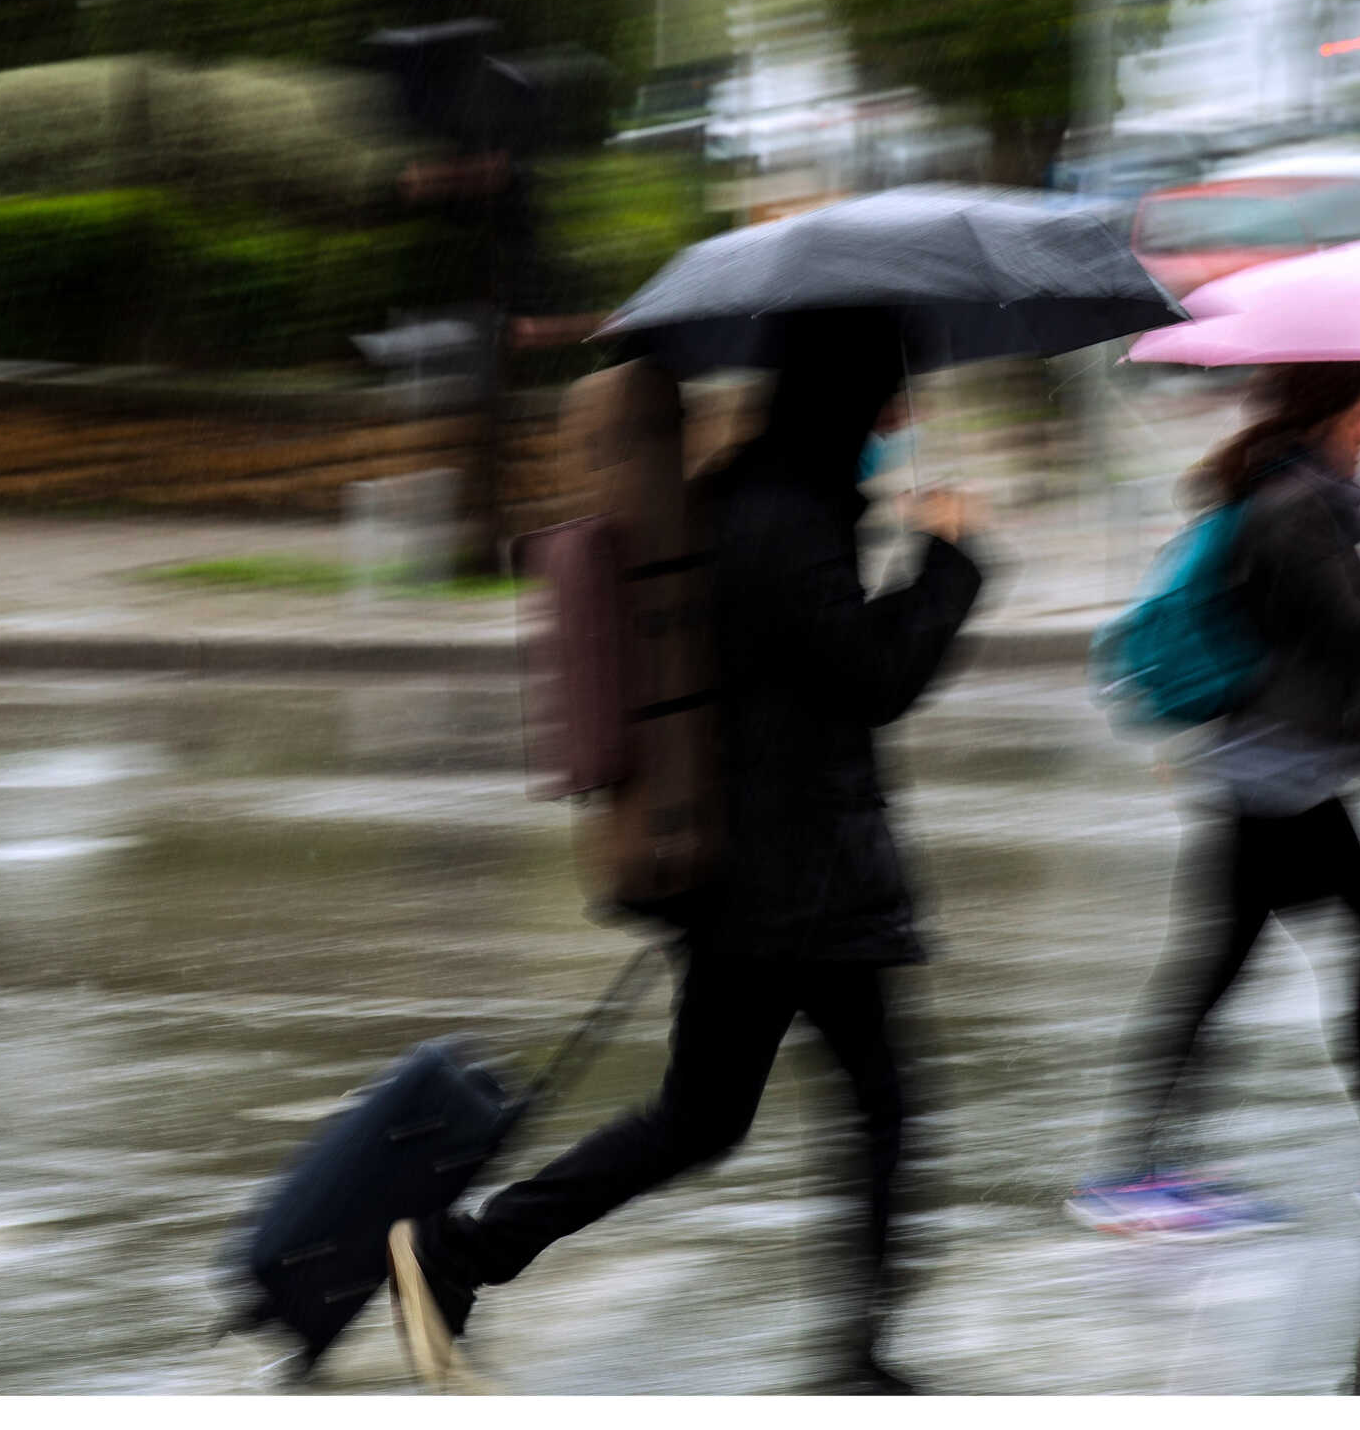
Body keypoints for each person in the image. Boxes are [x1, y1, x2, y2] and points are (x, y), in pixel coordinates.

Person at [410, 308, 986, 1390]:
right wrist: (948, 560)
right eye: (890, 394)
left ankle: (465, 1251)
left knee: (706, 1116)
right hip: (792, 879)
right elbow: (873, 678)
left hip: (759, 873)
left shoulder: (754, 494)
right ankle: (856, 1358)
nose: (902, 416)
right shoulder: (785, 514)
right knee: (874, 1105)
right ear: (846, 399)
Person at [1068, 360, 1360, 1239]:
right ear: (1330, 413)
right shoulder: (1294, 509)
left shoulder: (1297, 497)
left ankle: (1140, 1170)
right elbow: (1354, 629)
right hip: (1282, 777)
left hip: (1269, 770)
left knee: (1230, 969)